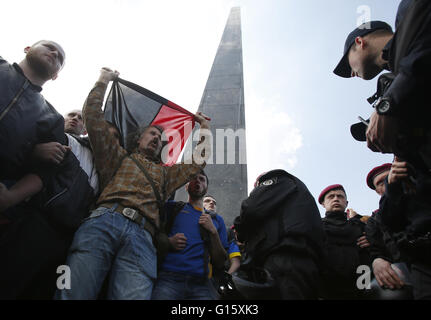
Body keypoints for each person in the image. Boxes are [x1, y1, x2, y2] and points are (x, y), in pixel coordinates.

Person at [55, 67, 211, 300]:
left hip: (143, 237)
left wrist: (205, 128)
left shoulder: (167, 176)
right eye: (151, 135)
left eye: (159, 139)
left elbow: (198, 162)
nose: (156, 139)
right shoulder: (116, 156)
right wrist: (102, 81)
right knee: (73, 292)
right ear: (138, 139)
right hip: (103, 222)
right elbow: (94, 118)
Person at [334, 0, 431, 299]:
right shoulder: (397, 80)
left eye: (346, 63)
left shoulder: (413, 14)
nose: (350, 74)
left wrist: (389, 105)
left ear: (359, 42)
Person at [234, 170, 326, 300]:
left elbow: (251, 208)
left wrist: (240, 230)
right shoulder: (296, 193)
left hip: (283, 260)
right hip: (306, 265)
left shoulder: (277, 179)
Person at [151, 173, 228, 300]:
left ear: (206, 188)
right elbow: (149, 233)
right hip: (169, 279)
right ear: (186, 186)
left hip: (202, 284)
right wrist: (168, 242)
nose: (197, 181)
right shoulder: (172, 208)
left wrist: (213, 233)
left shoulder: (217, 220)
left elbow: (220, 262)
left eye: (202, 179)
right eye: (193, 178)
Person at [364, 162, 414, 299]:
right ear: (377, 191)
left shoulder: (422, 198)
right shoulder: (373, 221)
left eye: (389, 177)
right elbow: (376, 248)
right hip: (403, 272)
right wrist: (377, 260)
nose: (386, 183)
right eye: (380, 182)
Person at [318, 184, 371, 299]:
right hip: (326, 288)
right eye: (331, 197)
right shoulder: (315, 227)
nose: (336, 199)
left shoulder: (361, 226)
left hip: (361, 286)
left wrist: (372, 241)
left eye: (340, 196)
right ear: (323, 203)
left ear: (346, 203)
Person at [203, 194, 241, 275]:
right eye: (207, 201)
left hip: (215, 277)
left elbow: (235, 262)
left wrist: (226, 279)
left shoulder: (228, 232)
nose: (211, 203)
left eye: (214, 203)